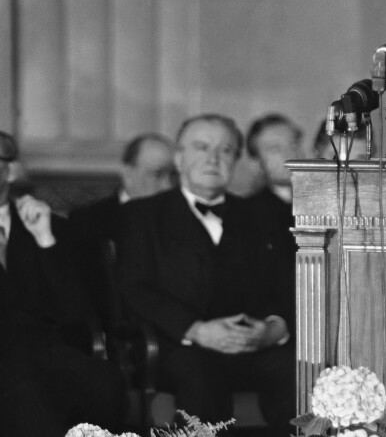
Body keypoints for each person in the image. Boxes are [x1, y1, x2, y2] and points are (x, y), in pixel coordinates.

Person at [118, 114, 296, 436]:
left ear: (236, 159)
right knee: (199, 375)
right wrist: (196, 330)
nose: (213, 159)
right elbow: (134, 289)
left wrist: (273, 329)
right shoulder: (142, 216)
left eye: (225, 150)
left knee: (298, 371)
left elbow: (286, 288)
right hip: (182, 347)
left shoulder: (262, 216)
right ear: (179, 157)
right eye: (201, 147)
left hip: (253, 346)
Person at [0, 131, 126, 437]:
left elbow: (74, 312)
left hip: (47, 349)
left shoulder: (50, 225)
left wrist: (45, 240)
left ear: (12, 170)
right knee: (27, 392)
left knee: (106, 383)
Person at [69, 133, 176, 326]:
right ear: (128, 173)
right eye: (158, 174)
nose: (168, 185)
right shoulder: (89, 221)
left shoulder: (182, 218)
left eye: (173, 175)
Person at [244, 113, 304, 326]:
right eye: (275, 149)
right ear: (256, 163)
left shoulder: (327, 204)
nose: (290, 153)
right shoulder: (245, 215)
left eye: (293, 143)